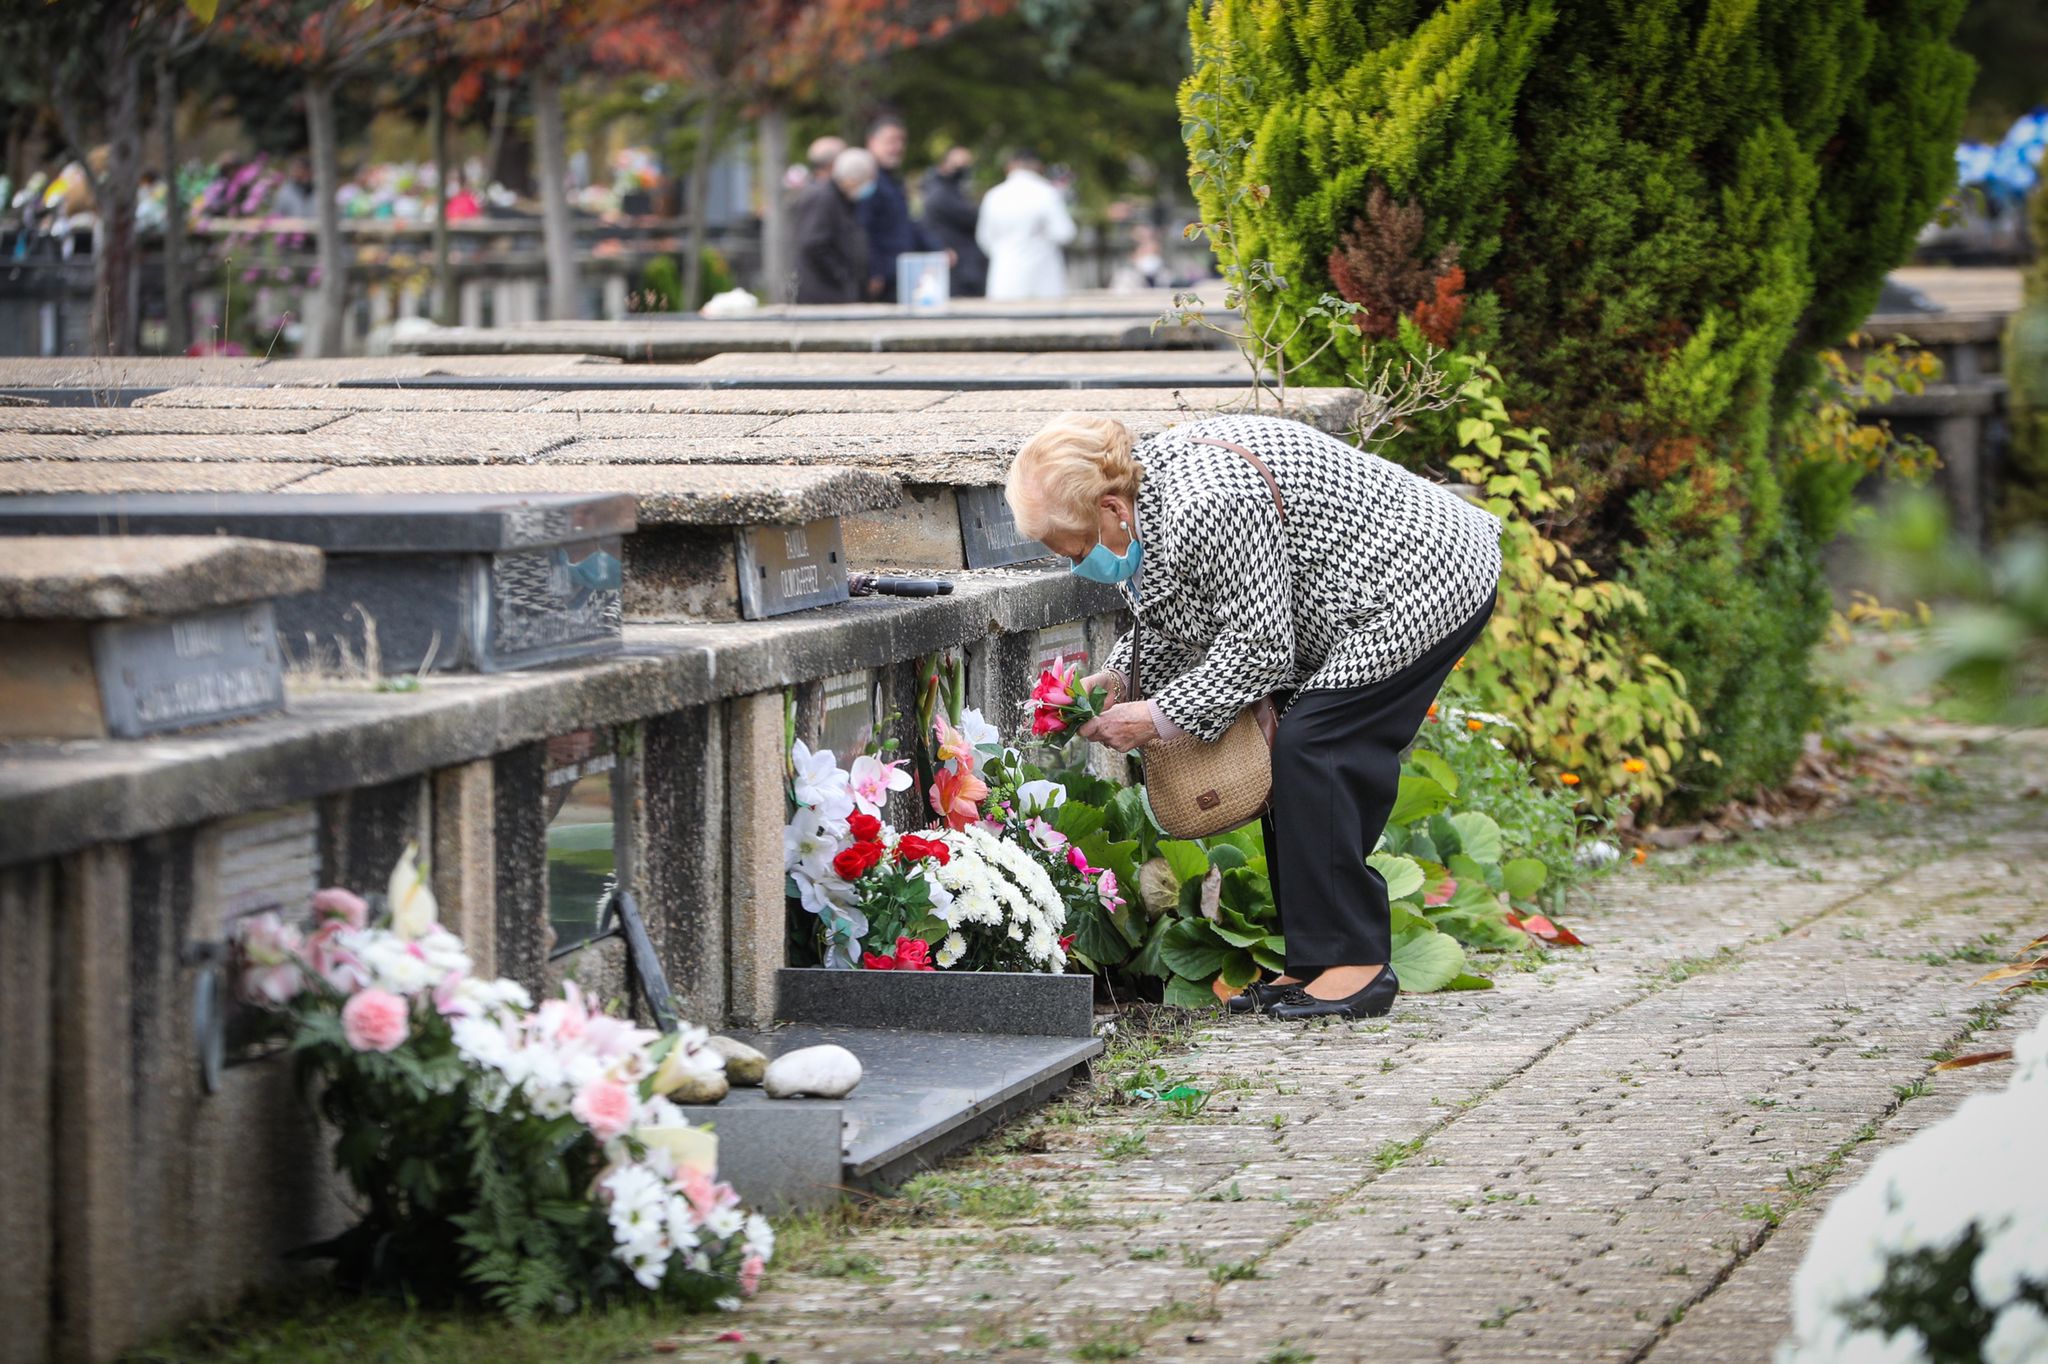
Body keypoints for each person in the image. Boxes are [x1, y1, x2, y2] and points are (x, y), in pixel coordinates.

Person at [1004, 413, 1502, 1021]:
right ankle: (1316, 959)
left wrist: (1158, 716)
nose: (1074, 563)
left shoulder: (1207, 503)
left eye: (1074, 547)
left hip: (1424, 581)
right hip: (1352, 602)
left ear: (1110, 507)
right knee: (1294, 756)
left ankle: (1358, 965)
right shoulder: (1146, 505)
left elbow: (1261, 652)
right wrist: (1121, 679)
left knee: (1316, 747)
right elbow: (1182, 611)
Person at [854, 113, 936, 302]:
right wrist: (874, 272)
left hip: (899, 273)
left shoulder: (893, 181)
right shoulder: (868, 180)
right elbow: (862, 229)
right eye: (891, 141)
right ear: (872, 142)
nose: (897, 147)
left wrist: (935, 248)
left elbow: (907, 223)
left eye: (901, 141)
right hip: (881, 279)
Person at [976, 148, 1076, 300]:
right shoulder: (1046, 193)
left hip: (1004, 277)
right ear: (1038, 166)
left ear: (1009, 167)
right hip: (1043, 279)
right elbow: (1065, 233)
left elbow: (984, 238)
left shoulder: (994, 195)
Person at [792, 146, 874, 304]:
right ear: (851, 179)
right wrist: (842, 275)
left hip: (834, 291)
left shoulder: (841, 200)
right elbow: (813, 245)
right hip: (822, 294)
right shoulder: (823, 198)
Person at [919, 146, 987, 298]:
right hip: (958, 269)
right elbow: (973, 217)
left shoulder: (950, 190)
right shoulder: (941, 193)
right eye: (959, 165)